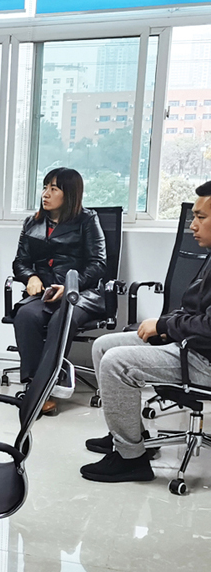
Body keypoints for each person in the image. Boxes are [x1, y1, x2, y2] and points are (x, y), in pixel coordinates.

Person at [81, 184, 211, 483]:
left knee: (117, 362)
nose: (192, 225)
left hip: (204, 359)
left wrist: (164, 326)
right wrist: (167, 326)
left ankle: (131, 460)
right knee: (103, 346)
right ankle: (130, 436)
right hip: (191, 345)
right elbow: (193, 309)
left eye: (201, 217)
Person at [11, 167, 105, 414]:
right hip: (45, 292)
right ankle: (34, 383)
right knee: (25, 315)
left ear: (70, 193)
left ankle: (48, 386)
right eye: (45, 187)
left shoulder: (87, 220)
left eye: (54, 189)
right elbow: (20, 261)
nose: (45, 194)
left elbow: (98, 264)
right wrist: (30, 276)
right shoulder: (32, 222)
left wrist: (71, 286)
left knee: (61, 319)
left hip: (80, 294)